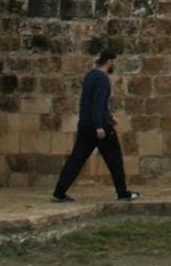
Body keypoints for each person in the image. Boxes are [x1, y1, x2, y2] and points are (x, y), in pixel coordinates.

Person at [52, 49, 140, 202]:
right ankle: (122, 193)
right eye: (113, 62)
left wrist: (109, 117)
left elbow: (89, 103)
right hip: (100, 128)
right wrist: (99, 125)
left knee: (76, 159)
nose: (114, 65)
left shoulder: (90, 76)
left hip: (85, 125)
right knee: (115, 160)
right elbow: (98, 103)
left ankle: (59, 192)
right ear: (109, 62)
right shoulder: (102, 79)